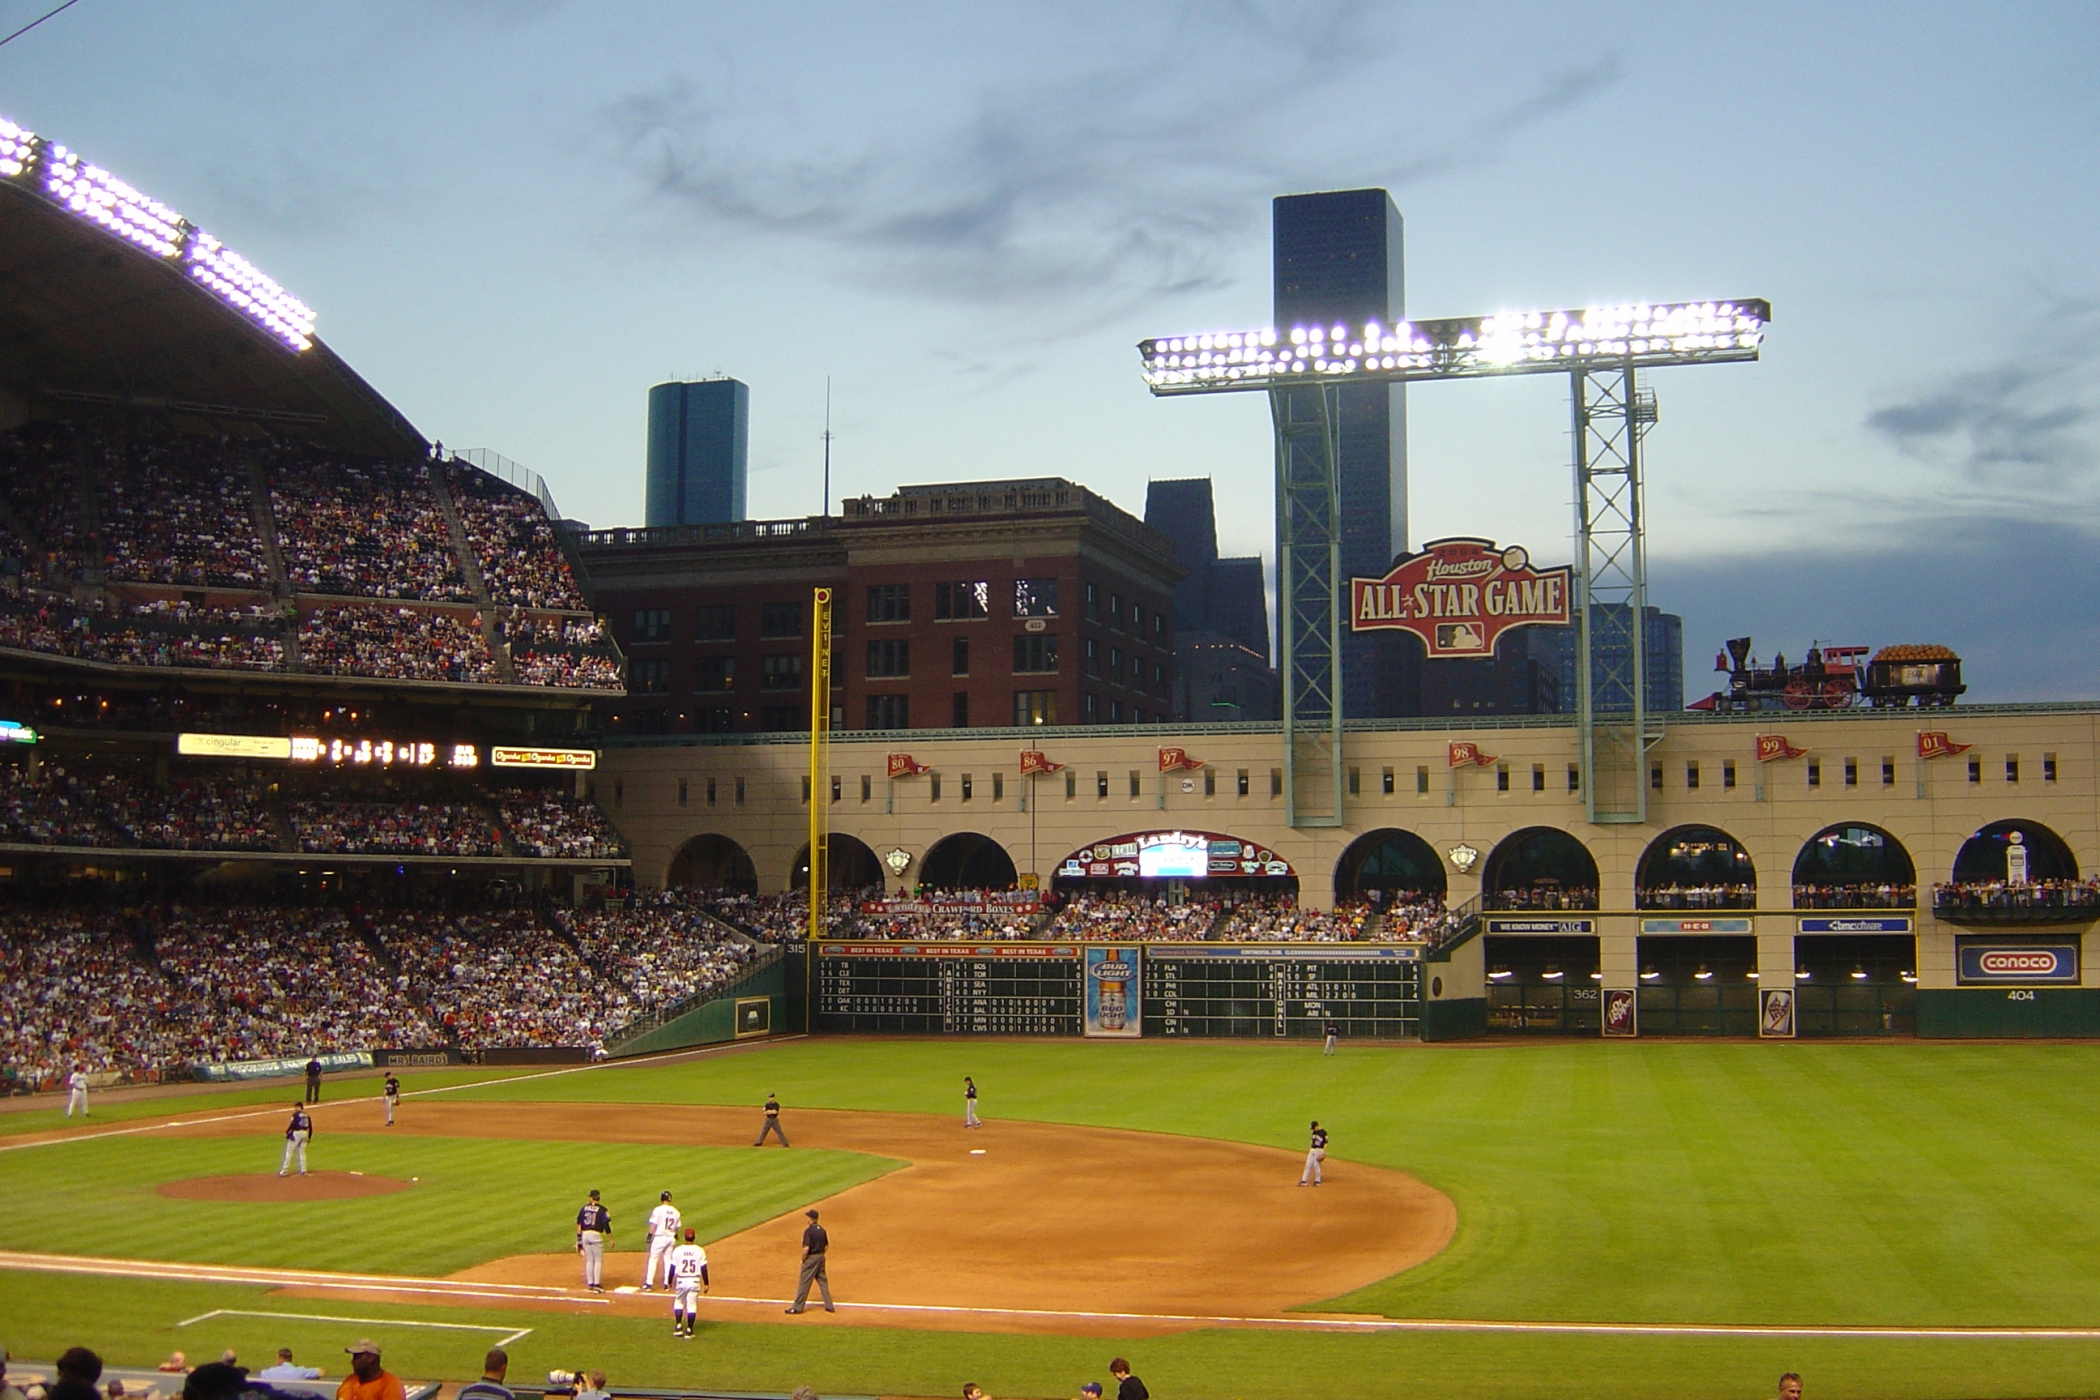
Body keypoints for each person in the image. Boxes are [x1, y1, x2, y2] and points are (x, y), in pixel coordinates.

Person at [785, 1207, 835, 1313]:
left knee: (804, 1282)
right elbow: (826, 1246)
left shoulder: (808, 1231)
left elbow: (806, 1248)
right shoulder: (822, 1230)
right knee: (822, 1281)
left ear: (811, 1219)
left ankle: (797, 1308)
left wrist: (803, 1260)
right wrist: (820, 1255)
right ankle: (829, 1306)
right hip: (821, 1257)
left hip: (811, 1259)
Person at [668, 1225, 711, 1337]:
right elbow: (703, 1268)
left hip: (681, 1280)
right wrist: (706, 1283)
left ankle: (678, 1326)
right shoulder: (699, 1250)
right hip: (694, 1281)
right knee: (691, 1305)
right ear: (694, 1237)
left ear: (684, 1237)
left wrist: (669, 1281)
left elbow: (672, 1267)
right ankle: (689, 1330)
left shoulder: (678, 1250)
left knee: (679, 1302)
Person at [334, 1342, 403, 1400]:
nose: (353, 1361)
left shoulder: (390, 1385)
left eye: (357, 1357)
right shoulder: (350, 1381)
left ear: (370, 1358)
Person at [643, 1189, 682, 1291]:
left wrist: (649, 1236)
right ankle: (667, 1284)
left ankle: (649, 1284)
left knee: (653, 1259)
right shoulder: (676, 1212)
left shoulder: (658, 1210)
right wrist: (675, 1235)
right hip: (671, 1238)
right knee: (668, 1260)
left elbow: (653, 1225)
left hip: (660, 1238)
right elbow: (677, 1228)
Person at [576, 1188, 612, 1291]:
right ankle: (596, 1283)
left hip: (585, 1235)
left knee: (589, 1260)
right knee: (598, 1260)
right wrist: (611, 1239)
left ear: (592, 1198)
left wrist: (579, 1242)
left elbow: (579, 1225)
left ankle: (590, 1283)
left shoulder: (584, 1208)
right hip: (596, 1235)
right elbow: (606, 1225)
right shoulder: (603, 1209)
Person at [279, 1102, 314, 1177]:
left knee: (289, 1152)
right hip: (305, 1133)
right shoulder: (307, 1115)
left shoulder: (296, 1115)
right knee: (302, 1152)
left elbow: (293, 1124)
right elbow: (310, 1127)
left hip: (297, 1133)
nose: (295, 1109)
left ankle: (284, 1171)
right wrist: (309, 1137)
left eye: (296, 1107)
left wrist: (287, 1132)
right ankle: (304, 1171)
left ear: (299, 1107)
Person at [1299, 1120, 1327, 1186]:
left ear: (1317, 1126)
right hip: (1312, 1149)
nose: (1313, 1129)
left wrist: (1323, 1151)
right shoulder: (1314, 1132)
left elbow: (1326, 1143)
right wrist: (1310, 1149)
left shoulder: (1323, 1133)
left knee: (1316, 1165)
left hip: (1319, 1150)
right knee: (1308, 1164)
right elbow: (1313, 1142)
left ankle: (1317, 1181)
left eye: (1313, 1128)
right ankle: (1304, 1181)